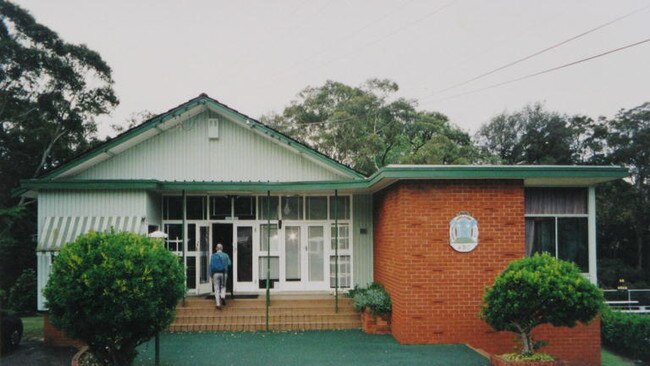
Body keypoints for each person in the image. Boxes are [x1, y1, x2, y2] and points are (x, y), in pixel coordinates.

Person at [210, 243, 231, 309]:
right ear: (222, 248)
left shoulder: (213, 256)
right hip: (224, 273)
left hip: (215, 274)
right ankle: (222, 296)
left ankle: (218, 304)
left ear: (216, 248)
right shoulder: (226, 255)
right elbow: (229, 264)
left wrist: (211, 275)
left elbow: (210, 266)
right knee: (223, 286)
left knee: (216, 288)